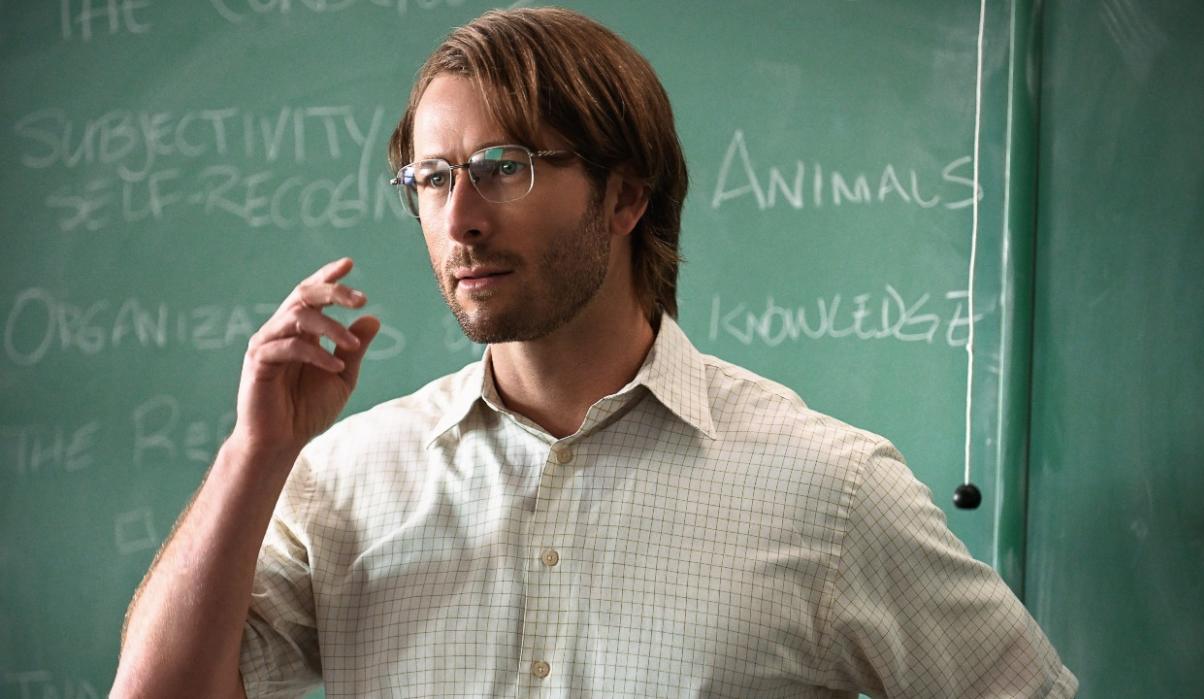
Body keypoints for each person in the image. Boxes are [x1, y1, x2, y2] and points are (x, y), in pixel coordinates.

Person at [113, 7, 1078, 698]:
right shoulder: (344, 479)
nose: (461, 220)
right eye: (434, 177)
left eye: (505, 168)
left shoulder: (830, 492)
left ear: (625, 199)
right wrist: (256, 453)